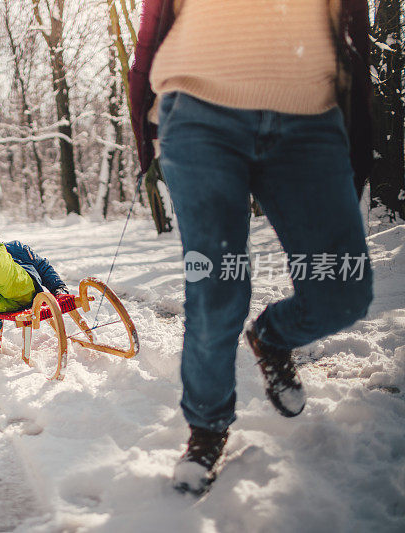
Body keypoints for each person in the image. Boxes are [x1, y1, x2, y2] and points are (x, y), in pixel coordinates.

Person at [128, 0, 375, 494]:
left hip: (311, 114)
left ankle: (273, 336)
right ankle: (207, 428)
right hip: (198, 111)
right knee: (216, 287)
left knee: (343, 290)